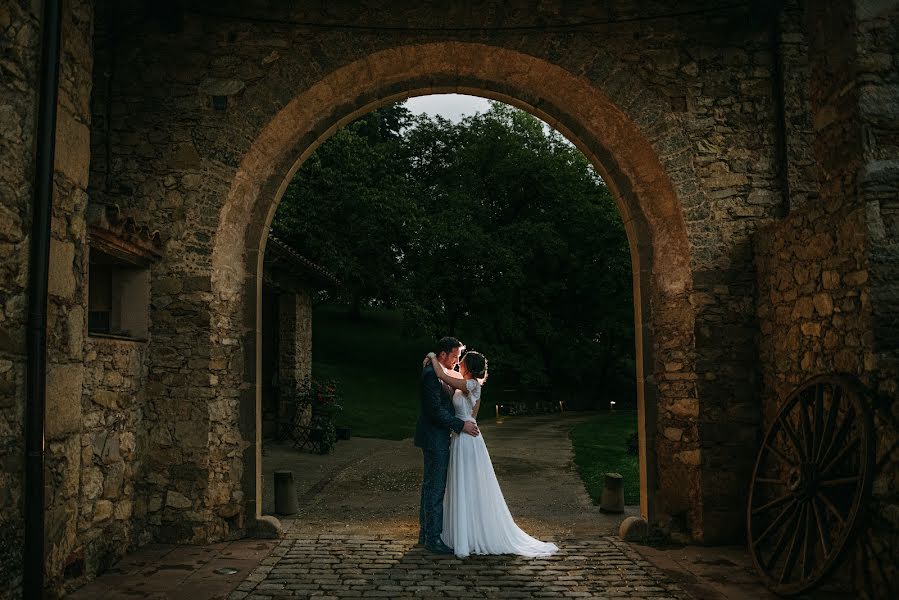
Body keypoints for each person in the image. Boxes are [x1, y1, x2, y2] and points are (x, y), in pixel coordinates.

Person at [426, 350, 559, 559]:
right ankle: (462, 531)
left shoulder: (472, 385)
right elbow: (448, 381)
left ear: (468, 367)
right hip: (463, 435)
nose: (459, 363)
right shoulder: (465, 382)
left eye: (462, 361)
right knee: (462, 484)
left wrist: (433, 358)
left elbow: (442, 376)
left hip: (467, 439)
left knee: (469, 484)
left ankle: (469, 533)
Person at [414, 337, 480, 554]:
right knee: (435, 488)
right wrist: (460, 425)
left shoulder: (440, 372)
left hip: (437, 437)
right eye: (454, 356)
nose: (456, 360)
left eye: (459, 357)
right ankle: (433, 539)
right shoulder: (432, 375)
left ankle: (426, 534)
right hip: (434, 438)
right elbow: (435, 411)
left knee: (430, 486)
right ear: (443, 355)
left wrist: (431, 357)